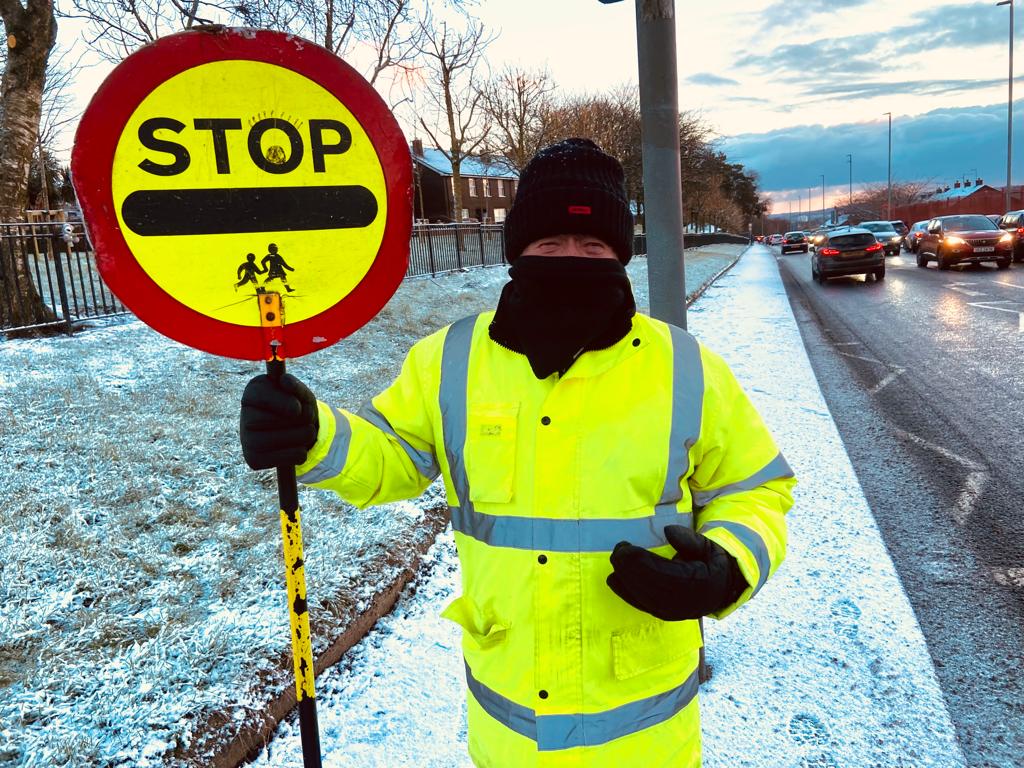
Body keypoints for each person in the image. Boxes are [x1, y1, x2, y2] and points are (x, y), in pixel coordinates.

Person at [240, 138, 795, 767]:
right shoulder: (449, 360)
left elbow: (755, 488)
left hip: (648, 737)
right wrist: (312, 434)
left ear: (621, 252)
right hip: (510, 733)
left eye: (593, 246)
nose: (571, 260)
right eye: (549, 244)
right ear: (516, 250)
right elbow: (391, 457)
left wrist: (727, 566)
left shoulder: (686, 367)